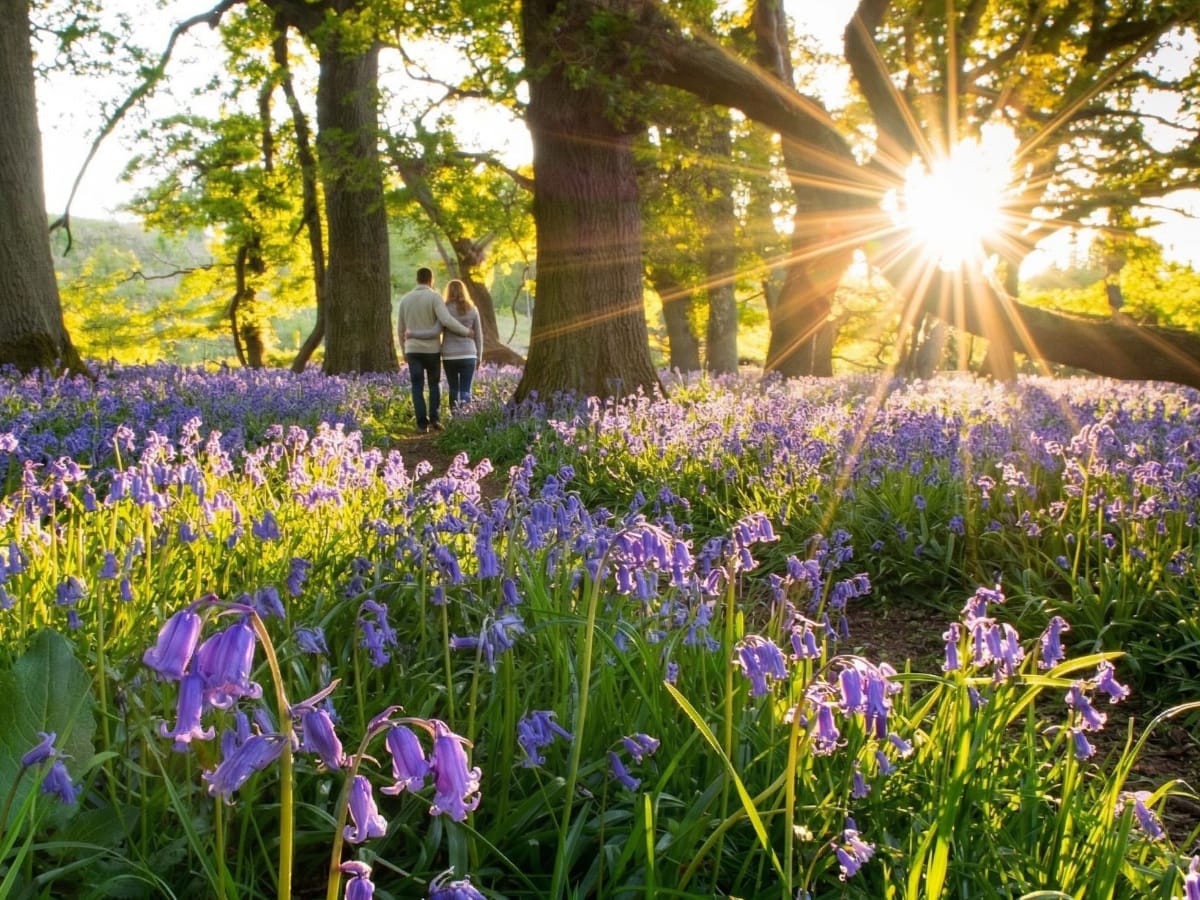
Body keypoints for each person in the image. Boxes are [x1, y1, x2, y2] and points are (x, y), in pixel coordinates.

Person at [396, 267, 472, 433]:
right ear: (431, 280)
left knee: (416, 385)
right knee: (434, 384)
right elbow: (446, 320)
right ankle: (435, 419)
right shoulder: (434, 297)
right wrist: (466, 332)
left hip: (412, 350)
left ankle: (421, 423)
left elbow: (400, 329)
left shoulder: (405, 299)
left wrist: (403, 351)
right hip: (431, 350)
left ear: (417, 279)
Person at [406, 279, 483, 413]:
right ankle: (466, 419)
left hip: (449, 356)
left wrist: (413, 334)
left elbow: (435, 331)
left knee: (453, 388)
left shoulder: (444, 309)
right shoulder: (473, 309)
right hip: (469, 354)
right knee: (466, 390)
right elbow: (479, 336)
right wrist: (479, 356)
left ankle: (454, 418)